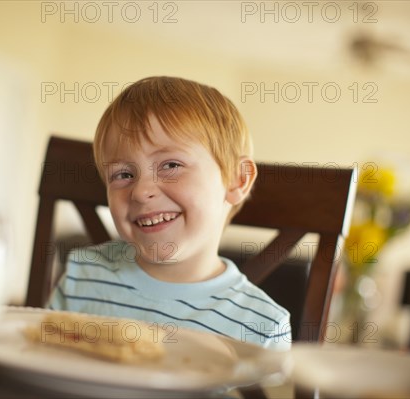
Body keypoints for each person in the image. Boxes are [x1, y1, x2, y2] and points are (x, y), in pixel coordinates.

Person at [47, 76, 291, 350]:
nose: (140, 191)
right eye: (123, 174)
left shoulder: (261, 327)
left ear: (237, 180)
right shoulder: (84, 275)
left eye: (171, 165)